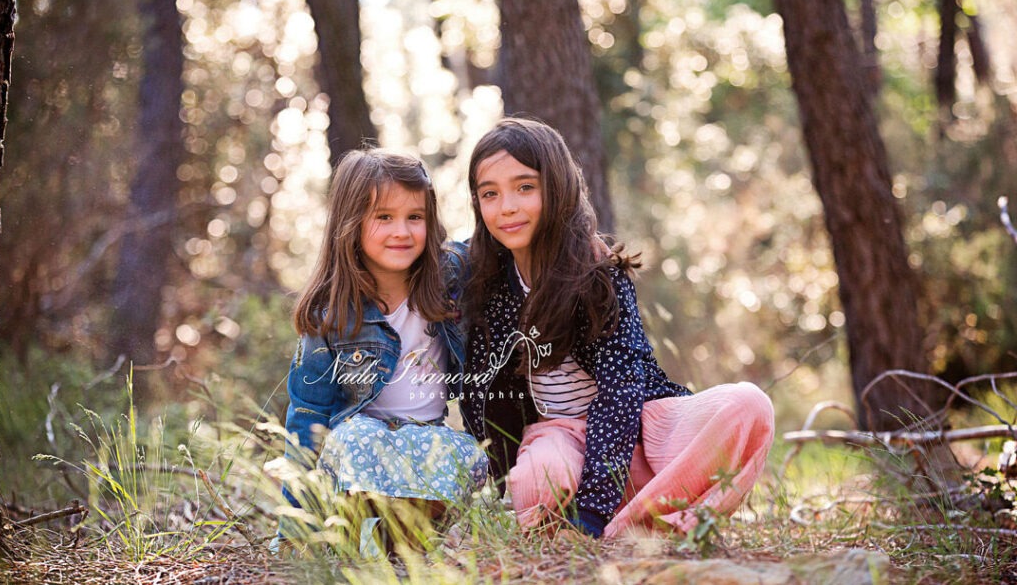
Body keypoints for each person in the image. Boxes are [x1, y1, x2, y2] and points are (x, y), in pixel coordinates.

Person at [460, 117, 774, 540]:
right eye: (490, 194)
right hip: (559, 436)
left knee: (748, 405)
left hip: (637, 427)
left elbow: (622, 389)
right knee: (538, 478)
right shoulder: (485, 279)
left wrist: (592, 509)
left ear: (557, 188)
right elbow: (481, 391)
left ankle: (621, 527)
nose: (507, 207)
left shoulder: (595, 273)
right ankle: (623, 520)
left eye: (525, 187)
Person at [277, 149, 488, 553]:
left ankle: (402, 544)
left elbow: (501, 243)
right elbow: (306, 414)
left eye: (415, 217)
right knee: (354, 437)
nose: (402, 232)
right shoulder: (330, 314)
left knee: (462, 455)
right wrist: (294, 526)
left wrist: (586, 244)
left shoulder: (448, 275)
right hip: (362, 449)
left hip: (427, 441)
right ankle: (351, 537)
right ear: (351, 223)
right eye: (384, 217)